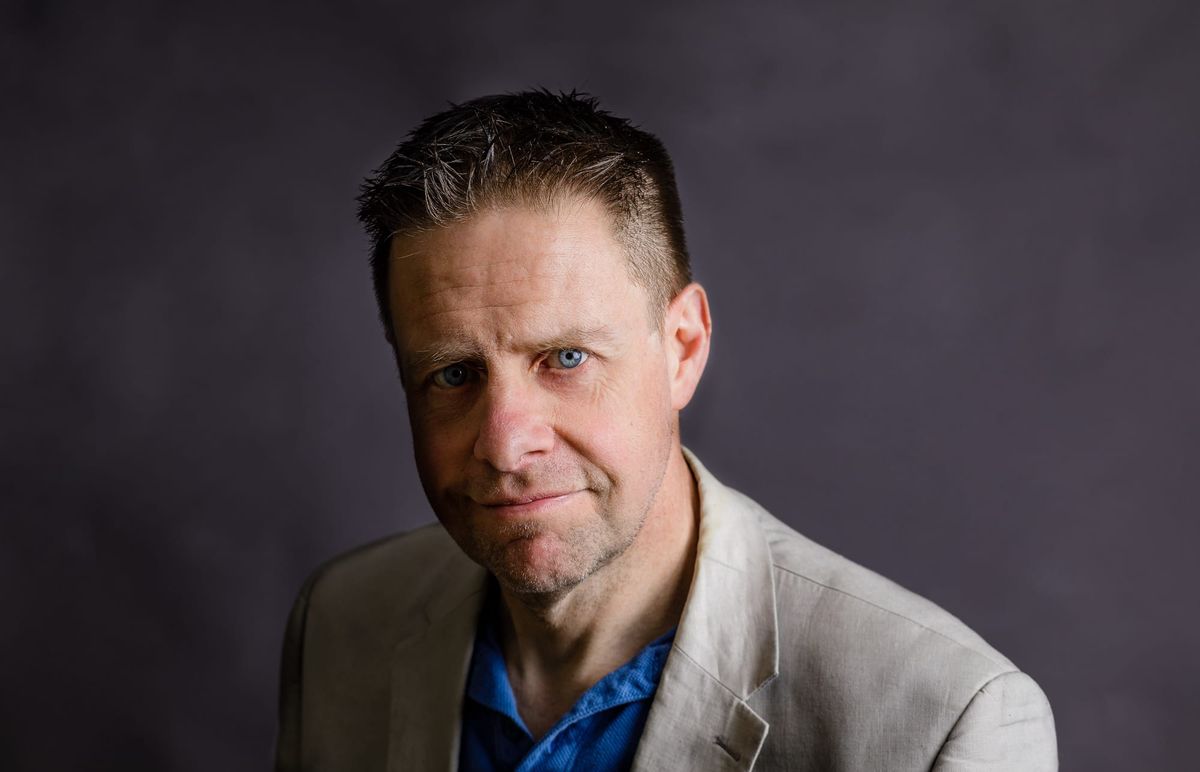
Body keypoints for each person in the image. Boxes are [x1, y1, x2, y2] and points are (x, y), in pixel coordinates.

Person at [274, 90, 1057, 771]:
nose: (506, 445)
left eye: (566, 358)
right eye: (452, 373)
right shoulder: (341, 623)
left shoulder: (945, 723)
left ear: (683, 347)